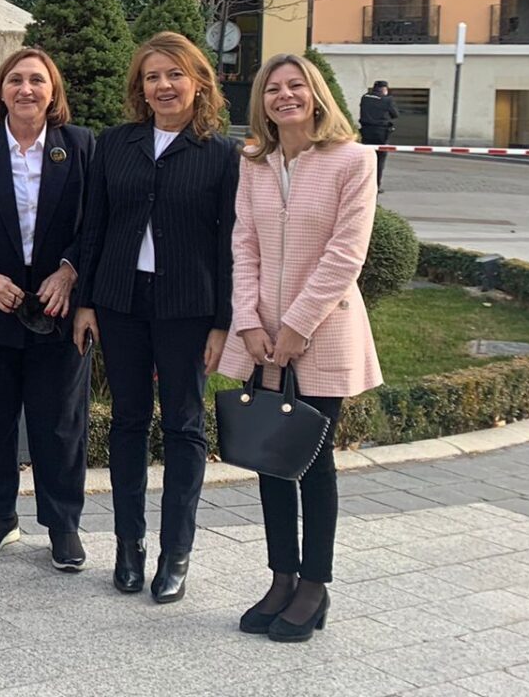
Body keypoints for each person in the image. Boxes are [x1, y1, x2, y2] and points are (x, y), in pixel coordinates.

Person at [217, 53, 382, 643]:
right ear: (261, 100)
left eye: (297, 86)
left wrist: (295, 328)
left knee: (313, 462)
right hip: (261, 335)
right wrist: (248, 323)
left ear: (316, 95)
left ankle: (315, 585)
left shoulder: (354, 160)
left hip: (323, 332)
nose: (285, 96)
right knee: (270, 457)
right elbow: (244, 245)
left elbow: (346, 253)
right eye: (273, 89)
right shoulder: (255, 162)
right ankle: (281, 577)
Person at [74, 31, 239, 604]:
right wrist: (87, 301)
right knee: (126, 421)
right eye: (152, 77)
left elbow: (229, 246)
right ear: (139, 89)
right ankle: (128, 545)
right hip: (121, 301)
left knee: (184, 426)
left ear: (198, 82)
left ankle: (176, 553)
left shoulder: (221, 154)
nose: (163, 86)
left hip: (187, 308)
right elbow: (93, 226)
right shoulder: (115, 144)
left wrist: (223, 320)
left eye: (174, 75)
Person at [0, 47, 94, 571]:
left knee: (60, 422)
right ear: (0, 91)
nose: (26, 89)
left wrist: (70, 269)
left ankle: (63, 524)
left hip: (59, 309)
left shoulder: (80, 146)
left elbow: (97, 222)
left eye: (37, 81)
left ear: (53, 93)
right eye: (15, 81)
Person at [357, 80, 398, 189]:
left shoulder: (365, 97)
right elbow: (395, 114)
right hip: (381, 133)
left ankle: (363, 185)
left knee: (366, 159)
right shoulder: (387, 100)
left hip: (366, 132)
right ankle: (376, 186)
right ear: (384, 89)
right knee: (379, 160)